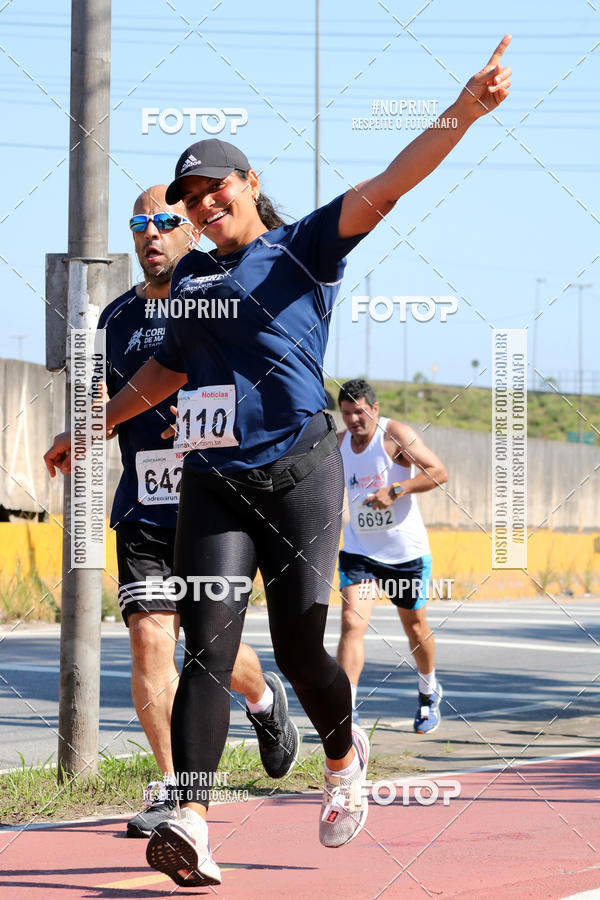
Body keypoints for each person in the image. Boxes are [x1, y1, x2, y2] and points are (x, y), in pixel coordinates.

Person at [45, 37, 511, 888]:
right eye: (186, 197)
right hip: (215, 483)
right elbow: (169, 370)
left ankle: (342, 748)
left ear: (248, 184)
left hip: (299, 476)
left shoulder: (303, 249)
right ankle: (190, 816)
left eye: (213, 188)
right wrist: (95, 425)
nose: (200, 203)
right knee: (204, 650)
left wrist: (465, 110)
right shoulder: (190, 286)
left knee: (300, 652)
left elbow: (393, 181)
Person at [98, 186, 299, 838]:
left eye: (163, 221)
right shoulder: (115, 318)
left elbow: (254, 381)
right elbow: (109, 395)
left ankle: (264, 701)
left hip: (208, 499)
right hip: (142, 506)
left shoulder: (215, 295)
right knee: (151, 636)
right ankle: (171, 786)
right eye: (140, 224)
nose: (150, 233)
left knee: (206, 646)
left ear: (188, 230)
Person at [335, 379, 448, 733]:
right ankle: (345, 712)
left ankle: (429, 692)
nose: (355, 419)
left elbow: (439, 472)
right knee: (352, 623)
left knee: (414, 627)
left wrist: (397, 489)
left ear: (375, 408)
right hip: (360, 552)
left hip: (404, 554)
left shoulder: (393, 436)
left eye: (360, 411)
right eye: (347, 412)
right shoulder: (338, 444)